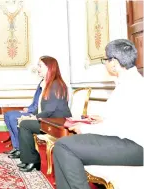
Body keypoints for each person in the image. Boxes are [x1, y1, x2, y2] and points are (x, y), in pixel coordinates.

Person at [53, 39, 144, 189]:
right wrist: (102, 119)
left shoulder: (130, 86)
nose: (106, 64)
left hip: (135, 147)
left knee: (63, 146)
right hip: (130, 141)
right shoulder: (131, 81)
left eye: (106, 60)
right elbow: (124, 118)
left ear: (114, 63)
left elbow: (117, 128)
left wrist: (84, 128)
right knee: (65, 145)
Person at [16, 56, 72, 172]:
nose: (38, 68)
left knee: (25, 125)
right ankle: (29, 159)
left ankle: (32, 161)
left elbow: (50, 110)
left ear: (49, 67)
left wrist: (33, 118)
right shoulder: (47, 84)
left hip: (57, 122)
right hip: (49, 120)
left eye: (40, 65)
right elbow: (43, 108)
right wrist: (30, 116)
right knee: (24, 122)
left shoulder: (56, 84)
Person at [3, 79, 43, 157]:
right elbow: (35, 102)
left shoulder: (50, 84)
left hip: (36, 113)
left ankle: (21, 149)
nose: (38, 69)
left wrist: (29, 110)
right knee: (7, 115)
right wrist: (28, 108)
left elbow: (42, 106)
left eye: (40, 66)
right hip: (32, 109)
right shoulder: (42, 82)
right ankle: (16, 146)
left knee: (12, 117)